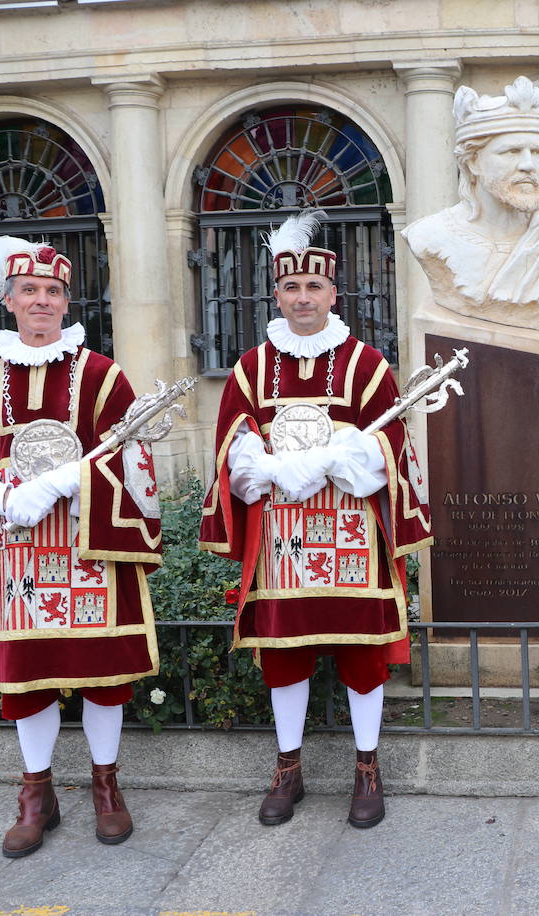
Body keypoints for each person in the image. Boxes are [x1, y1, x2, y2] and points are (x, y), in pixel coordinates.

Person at [0, 236, 162, 857]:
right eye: (29, 291)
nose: (41, 301)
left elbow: (134, 462)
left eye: (53, 292)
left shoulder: (103, 376)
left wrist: (66, 481)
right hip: (17, 556)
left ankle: (105, 786)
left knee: (103, 676)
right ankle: (37, 794)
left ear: (66, 303)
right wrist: (0, 495)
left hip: (92, 553)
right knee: (27, 679)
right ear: (8, 300)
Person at [200, 210, 431, 829]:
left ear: (333, 294)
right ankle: (288, 768)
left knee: (362, 657)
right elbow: (233, 454)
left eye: (315, 288)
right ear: (276, 293)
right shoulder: (250, 370)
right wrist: (279, 471)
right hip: (282, 542)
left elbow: (393, 454)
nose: (302, 298)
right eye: (291, 288)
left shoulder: (368, 366)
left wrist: (331, 461)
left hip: (353, 537)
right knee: (284, 655)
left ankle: (367, 769)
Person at [402, 75, 539, 329]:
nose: (528, 165)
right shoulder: (429, 235)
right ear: (473, 162)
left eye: (537, 152)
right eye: (511, 152)